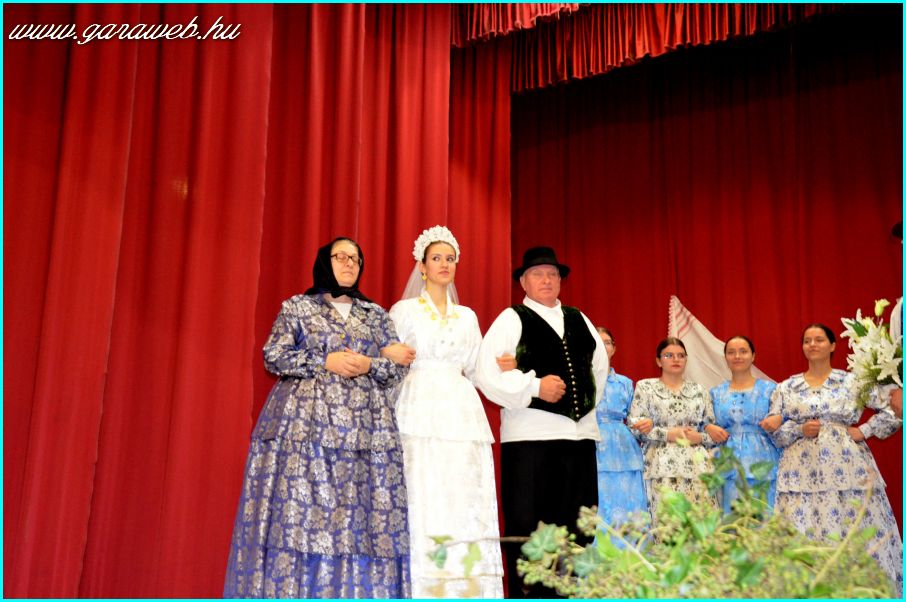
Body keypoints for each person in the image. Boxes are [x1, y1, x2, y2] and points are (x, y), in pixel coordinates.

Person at [223, 237, 412, 598]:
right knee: (302, 518)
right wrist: (325, 361)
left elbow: (396, 369)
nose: (349, 263)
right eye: (341, 257)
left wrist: (369, 364)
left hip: (364, 434)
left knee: (357, 522)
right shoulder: (298, 307)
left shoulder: (375, 315)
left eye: (355, 259)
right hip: (305, 429)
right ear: (326, 262)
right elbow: (273, 355)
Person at [474, 246, 609, 598]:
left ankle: (570, 594)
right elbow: (484, 373)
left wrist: (583, 406)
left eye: (552, 274)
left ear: (560, 280)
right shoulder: (511, 319)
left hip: (579, 440)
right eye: (537, 274)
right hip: (530, 442)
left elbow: (599, 370)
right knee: (531, 532)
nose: (546, 280)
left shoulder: (580, 319)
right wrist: (535, 387)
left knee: (577, 531)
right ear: (523, 282)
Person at [386, 226, 504, 598]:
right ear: (421, 266)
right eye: (436, 258)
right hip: (419, 405)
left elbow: (479, 368)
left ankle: (467, 586)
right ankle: (422, 586)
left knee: (465, 493)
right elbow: (387, 361)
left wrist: (510, 373)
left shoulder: (467, 316)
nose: (444, 264)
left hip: (461, 408)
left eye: (450, 259)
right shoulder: (404, 311)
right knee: (423, 490)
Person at [769, 323, 903, 596]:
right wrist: (799, 429)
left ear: (832, 346)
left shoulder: (853, 382)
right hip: (801, 476)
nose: (812, 344)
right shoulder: (786, 387)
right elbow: (776, 435)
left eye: (819, 339)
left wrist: (864, 431)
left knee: (853, 529)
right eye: (807, 340)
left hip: (848, 470)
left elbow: (896, 408)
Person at [627, 337, 718, 524]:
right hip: (660, 466)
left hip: (698, 467)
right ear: (658, 361)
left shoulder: (700, 390)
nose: (676, 359)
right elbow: (634, 426)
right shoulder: (646, 387)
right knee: (667, 526)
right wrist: (668, 434)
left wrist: (699, 437)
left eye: (681, 356)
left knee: (700, 525)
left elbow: (712, 433)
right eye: (669, 355)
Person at [705, 335, 781, 514]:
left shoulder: (770, 389)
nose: (737, 356)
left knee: (764, 518)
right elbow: (702, 423)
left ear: (753, 356)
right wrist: (708, 427)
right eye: (731, 352)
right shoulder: (715, 393)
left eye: (743, 351)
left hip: (763, 461)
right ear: (725, 358)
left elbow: (785, 420)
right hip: (728, 464)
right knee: (733, 520)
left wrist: (779, 419)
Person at [592, 327, 649, 544]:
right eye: (596, 341)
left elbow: (634, 417)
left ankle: (633, 555)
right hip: (592, 443)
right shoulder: (581, 380)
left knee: (629, 503)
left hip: (624, 447)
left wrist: (645, 424)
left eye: (606, 342)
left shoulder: (625, 383)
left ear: (614, 349)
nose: (601, 346)